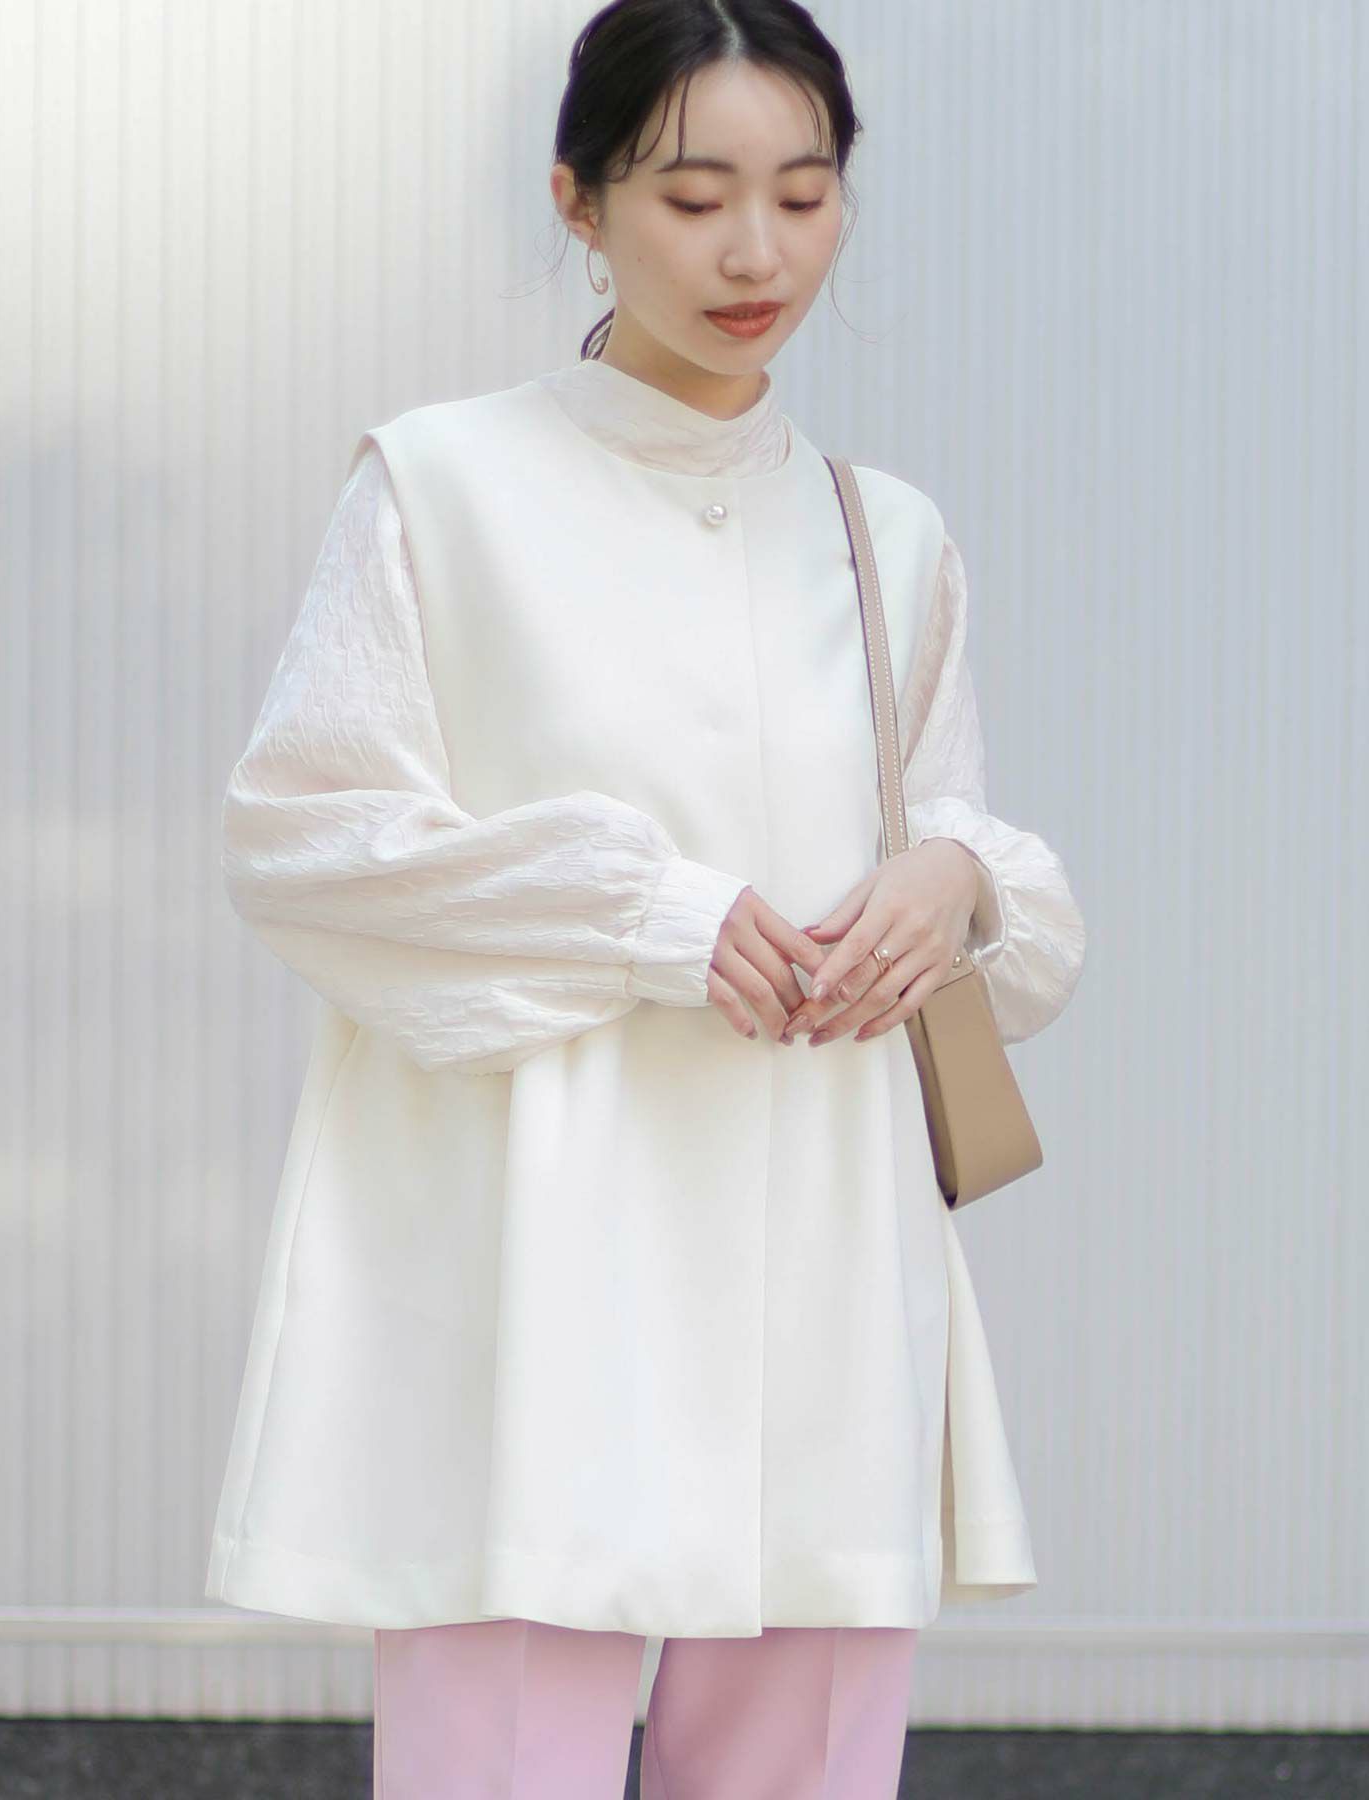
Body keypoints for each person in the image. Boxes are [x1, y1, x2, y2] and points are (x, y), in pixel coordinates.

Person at [203, 1, 1087, 1794]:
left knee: (802, 1761)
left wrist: (954, 881)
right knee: (501, 1753)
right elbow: (308, 838)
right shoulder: (443, 486)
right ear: (578, 202)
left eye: (805, 195)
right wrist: (646, 915)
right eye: (694, 197)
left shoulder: (887, 533)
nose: (758, 252)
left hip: (831, 1258)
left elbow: (964, 848)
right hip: (542, 1254)